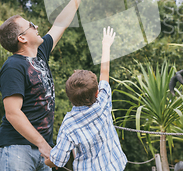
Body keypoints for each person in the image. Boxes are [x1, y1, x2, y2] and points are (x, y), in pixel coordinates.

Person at [0, 0, 95, 171]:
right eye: (30, 25)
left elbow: (61, 23)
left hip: (41, 151)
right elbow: (13, 113)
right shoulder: (13, 66)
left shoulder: (40, 54)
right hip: (16, 149)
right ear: (21, 38)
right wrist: (43, 144)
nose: (36, 26)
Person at [45, 26, 127, 171]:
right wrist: (106, 45)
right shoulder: (103, 101)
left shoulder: (69, 124)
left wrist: (45, 161)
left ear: (70, 98)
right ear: (96, 92)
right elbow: (104, 71)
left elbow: (58, 161)